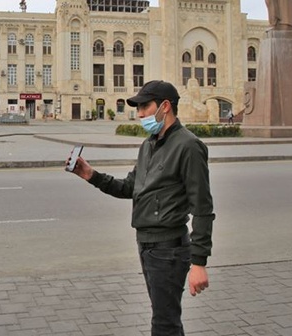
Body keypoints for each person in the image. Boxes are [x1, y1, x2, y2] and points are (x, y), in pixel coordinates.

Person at [69, 80, 215, 335]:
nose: (140, 114)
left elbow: (202, 207)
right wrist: (92, 175)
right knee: (166, 318)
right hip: (146, 245)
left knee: (164, 323)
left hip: (168, 249)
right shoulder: (148, 145)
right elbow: (130, 187)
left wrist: (199, 262)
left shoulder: (188, 146)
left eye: (145, 106)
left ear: (165, 106)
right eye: (138, 108)